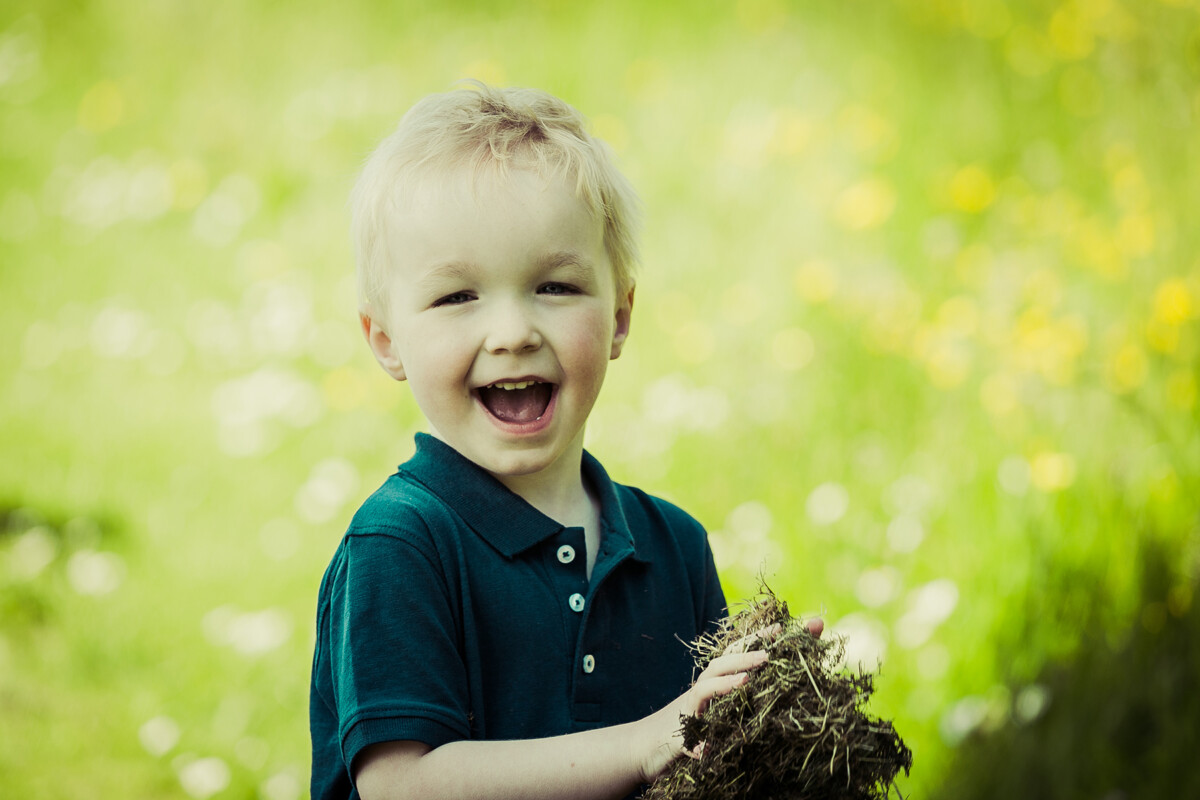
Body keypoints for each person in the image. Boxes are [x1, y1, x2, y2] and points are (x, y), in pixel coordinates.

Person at [308, 82, 818, 800]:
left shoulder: (672, 548)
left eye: (554, 286)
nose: (513, 332)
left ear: (619, 315)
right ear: (386, 341)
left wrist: (777, 712)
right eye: (458, 297)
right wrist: (643, 745)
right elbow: (402, 784)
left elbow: (706, 763)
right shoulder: (402, 545)